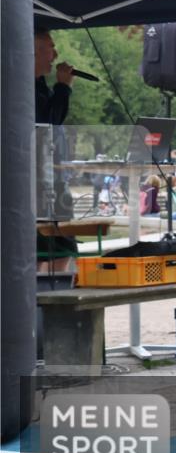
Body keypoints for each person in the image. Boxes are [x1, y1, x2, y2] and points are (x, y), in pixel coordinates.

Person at [35, 27, 78, 270]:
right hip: (37, 179)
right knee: (37, 246)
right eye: (51, 46)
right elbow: (48, 122)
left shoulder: (41, 85)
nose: (56, 54)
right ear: (35, 51)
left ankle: (58, 292)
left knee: (63, 242)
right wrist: (63, 87)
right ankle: (36, 300)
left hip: (54, 175)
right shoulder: (21, 86)